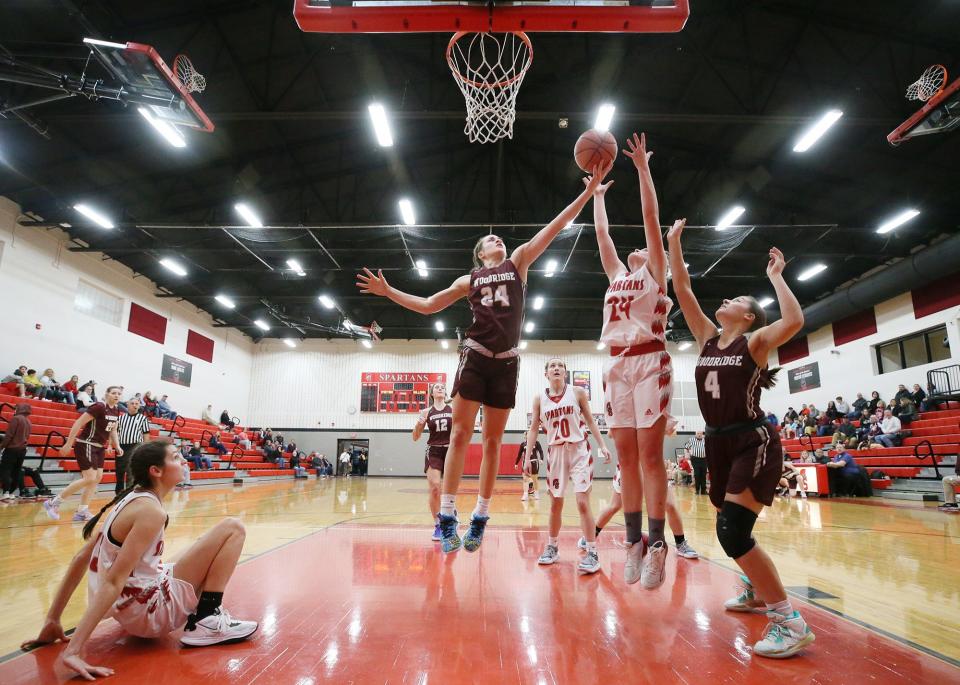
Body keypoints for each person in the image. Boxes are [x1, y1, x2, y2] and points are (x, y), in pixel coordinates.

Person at [358, 162, 611, 555]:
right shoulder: (469, 280)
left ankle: (480, 515)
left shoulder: (520, 261)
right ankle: (446, 515)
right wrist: (389, 292)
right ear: (480, 254)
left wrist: (589, 192)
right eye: (491, 239)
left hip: (507, 362)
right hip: (475, 356)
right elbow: (428, 305)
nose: (499, 240)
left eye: (499, 237)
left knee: (493, 442)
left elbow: (557, 226)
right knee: (461, 434)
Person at [668, 220, 814, 658]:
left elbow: (795, 320)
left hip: (752, 441)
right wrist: (674, 243)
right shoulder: (707, 340)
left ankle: (789, 620)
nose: (724, 300)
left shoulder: (754, 342)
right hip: (716, 443)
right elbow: (682, 290)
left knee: (733, 531)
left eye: (735, 300)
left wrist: (775, 277)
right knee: (726, 524)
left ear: (748, 316)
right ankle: (754, 591)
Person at [23, 441, 258, 678]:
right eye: (176, 457)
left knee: (199, 547)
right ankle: (207, 618)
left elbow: (80, 558)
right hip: (148, 613)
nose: (184, 461)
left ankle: (205, 614)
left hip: (129, 608)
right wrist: (73, 650)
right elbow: (114, 580)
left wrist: (53, 619)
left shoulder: (131, 498)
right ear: (155, 471)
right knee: (233, 528)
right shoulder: (151, 512)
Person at [590, 132, 676, 589]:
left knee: (649, 455)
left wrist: (642, 169)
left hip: (649, 361)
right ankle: (633, 542)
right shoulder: (617, 275)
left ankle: (659, 543)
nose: (636, 249)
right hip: (616, 365)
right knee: (625, 460)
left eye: (643, 248)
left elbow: (650, 217)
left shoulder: (653, 271)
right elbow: (602, 233)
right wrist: (599, 195)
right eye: (635, 250)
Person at [527, 357, 612, 574]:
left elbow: (591, 421)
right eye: (552, 366)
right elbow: (534, 429)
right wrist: (528, 457)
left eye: (560, 366)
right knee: (556, 503)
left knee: (583, 501)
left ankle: (592, 552)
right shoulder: (539, 398)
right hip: (555, 452)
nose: (556, 368)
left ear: (565, 372)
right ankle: (552, 547)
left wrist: (602, 446)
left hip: (579, 449)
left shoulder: (577, 392)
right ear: (546, 374)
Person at [44, 386, 124, 522]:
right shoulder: (99, 406)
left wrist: (116, 445)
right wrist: (69, 443)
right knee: (89, 478)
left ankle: (82, 511)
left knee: (97, 478)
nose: (116, 395)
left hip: (99, 447)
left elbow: (113, 430)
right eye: (113, 393)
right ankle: (53, 502)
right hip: (86, 444)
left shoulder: (116, 410)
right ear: (107, 394)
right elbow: (78, 423)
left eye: (119, 394)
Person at [589, 461, 699, 559]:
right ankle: (589, 538)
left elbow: (668, 437)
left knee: (670, 505)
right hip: (630, 465)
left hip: (653, 464)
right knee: (615, 505)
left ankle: (680, 543)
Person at [413, 382, 453, 541]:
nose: (440, 388)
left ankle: (450, 515)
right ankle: (438, 525)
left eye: (443, 387)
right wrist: (419, 423)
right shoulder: (426, 411)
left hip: (451, 451)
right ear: (431, 393)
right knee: (435, 487)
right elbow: (415, 437)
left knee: (450, 490)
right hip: (434, 451)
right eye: (437, 387)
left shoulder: (453, 410)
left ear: (445, 392)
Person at [115, 397, 151, 495]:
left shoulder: (143, 418)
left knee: (131, 472)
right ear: (128, 404)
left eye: (137, 404)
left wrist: (145, 449)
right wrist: (112, 444)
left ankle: (129, 495)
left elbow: (146, 434)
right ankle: (119, 494)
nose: (135, 405)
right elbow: (114, 432)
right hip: (121, 446)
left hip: (135, 446)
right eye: (132, 403)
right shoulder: (121, 418)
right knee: (119, 471)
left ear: (139, 406)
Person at [0, 403, 31, 501]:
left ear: (20, 409)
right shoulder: (28, 422)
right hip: (22, 450)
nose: (15, 410)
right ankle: (11, 492)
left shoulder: (16, 419)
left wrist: (1, 446)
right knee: (16, 471)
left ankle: (5, 492)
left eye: (16, 408)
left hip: (12, 449)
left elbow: (9, 435)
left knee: (6, 470)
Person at [684, 431, 707, 496]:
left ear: (702, 434)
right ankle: (697, 490)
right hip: (695, 459)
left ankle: (703, 491)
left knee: (703, 475)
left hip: (704, 459)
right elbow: (686, 447)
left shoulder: (705, 439)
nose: (699, 435)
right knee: (697, 474)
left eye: (700, 433)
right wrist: (687, 455)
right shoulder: (691, 440)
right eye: (698, 433)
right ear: (695, 434)